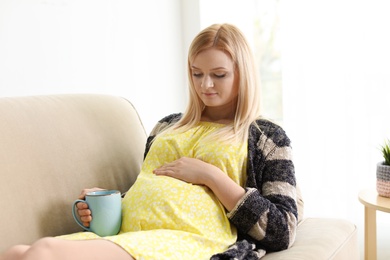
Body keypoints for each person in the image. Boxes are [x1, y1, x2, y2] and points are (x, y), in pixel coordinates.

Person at [0, 23, 297, 260]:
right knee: (15, 254)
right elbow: (153, 189)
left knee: (44, 253)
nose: (205, 85)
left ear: (243, 74)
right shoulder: (167, 126)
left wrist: (211, 176)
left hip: (186, 241)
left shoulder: (266, 136)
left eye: (219, 75)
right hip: (130, 234)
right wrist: (110, 206)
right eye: (197, 74)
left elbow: (282, 230)